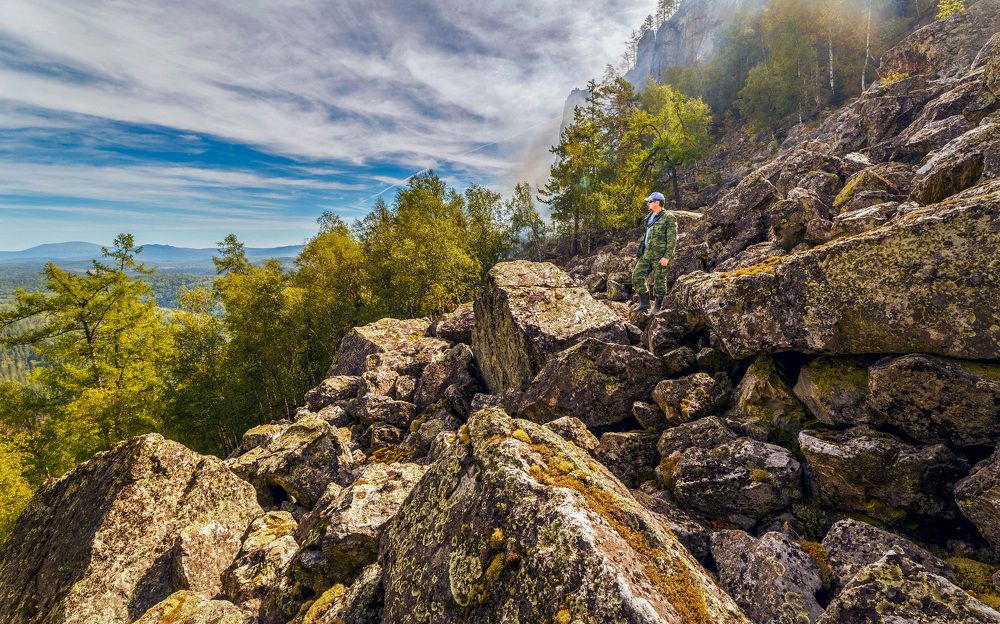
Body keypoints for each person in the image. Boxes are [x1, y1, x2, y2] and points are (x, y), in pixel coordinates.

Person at [632, 192, 677, 315]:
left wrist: (667, 257)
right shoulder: (649, 217)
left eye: (650, 201)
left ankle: (657, 307)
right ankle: (644, 303)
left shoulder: (669, 217)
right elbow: (646, 235)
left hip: (660, 256)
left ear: (657, 202)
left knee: (660, 281)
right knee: (637, 275)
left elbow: (672, 239)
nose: (648, 203)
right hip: (646, 255)